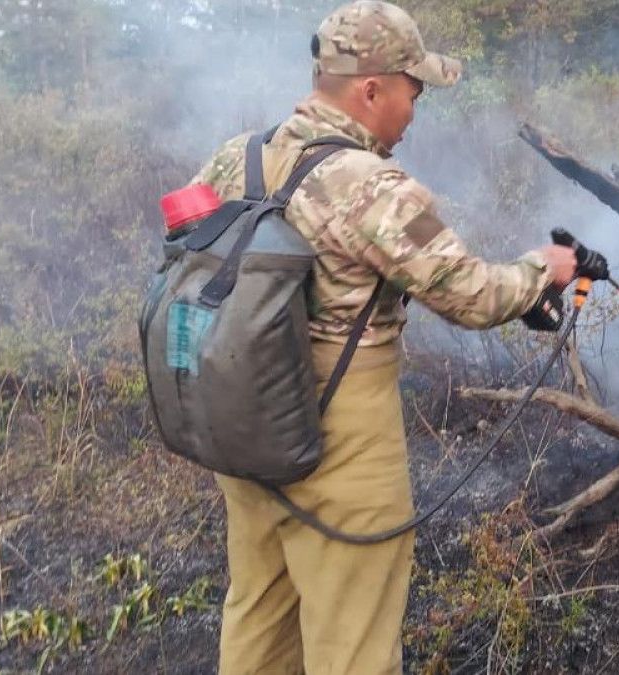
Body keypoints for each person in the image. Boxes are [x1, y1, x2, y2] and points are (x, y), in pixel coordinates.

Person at [188, 2, 577, 672]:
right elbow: (471, 292)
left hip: (240, 428)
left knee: (258, 616)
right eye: (412, 90)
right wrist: (547, 267)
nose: (414, 110)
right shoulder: (375, 185)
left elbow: (184, 250)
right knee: (354, 643)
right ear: (372, 89)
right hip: (340, 450)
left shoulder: (234, 158)